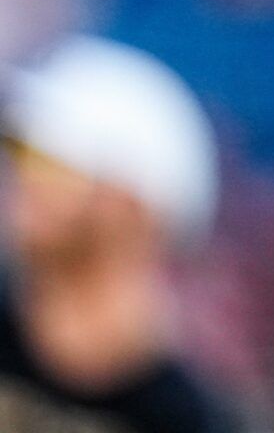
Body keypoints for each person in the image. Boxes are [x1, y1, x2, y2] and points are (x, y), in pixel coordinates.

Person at [1, 36, 239, 432]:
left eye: (47, 159)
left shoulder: (186, 419)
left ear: (132, 205)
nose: (22, 175)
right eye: (16, 148)